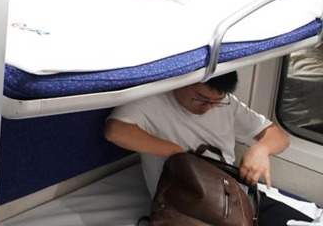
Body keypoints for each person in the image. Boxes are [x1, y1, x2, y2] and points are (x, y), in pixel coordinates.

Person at [104, 71, 313, 226]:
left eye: (216, 101)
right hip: (189, 203)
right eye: (200, 99)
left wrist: (261, 149)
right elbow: (115, 131)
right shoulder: (152, 101)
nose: (208, 107)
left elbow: (279, 137)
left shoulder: (226, 104)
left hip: (235, 194)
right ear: (181, 81)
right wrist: (177, 153)